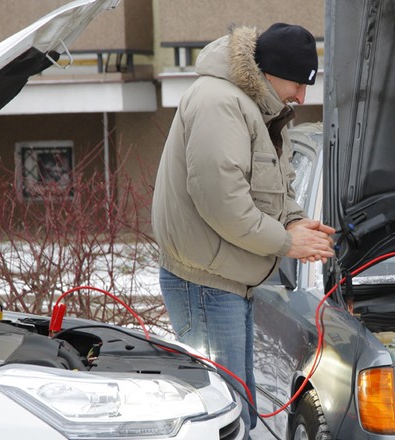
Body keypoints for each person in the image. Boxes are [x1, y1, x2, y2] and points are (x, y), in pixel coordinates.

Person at [151, 22, 335, 437]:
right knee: (221, 417)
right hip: (204, 283)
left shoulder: (255, 107)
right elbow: (223, 204)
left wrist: (295, 220)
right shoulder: (220, 104)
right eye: (298, 84)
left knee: (238, 410)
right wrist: (288, 242)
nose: (302, 97)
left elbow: (275, 182)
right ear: (270, 72)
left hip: (227, 280)